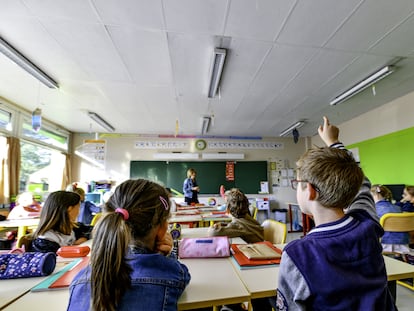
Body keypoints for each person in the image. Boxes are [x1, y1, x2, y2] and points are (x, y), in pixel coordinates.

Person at [275, 116, 396, 311]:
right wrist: (334, 143)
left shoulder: (297, 254)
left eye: (297, 184)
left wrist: (333, 143)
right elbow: (362, 186)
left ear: (311, 191)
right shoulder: (368, 224)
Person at [67, 179, 191, 311]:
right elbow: (183, 276)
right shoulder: (169, 271)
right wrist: (167, 256)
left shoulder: (80, 278)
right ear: (163, 229)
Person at [208, 188, 271, 311]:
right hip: (257, 263)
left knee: (225, 279)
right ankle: (231, 305)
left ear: (227, 210)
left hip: (253, 271)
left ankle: (230, 306)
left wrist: (218, 226)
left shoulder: (240, 225)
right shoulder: (248, 220)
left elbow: (213, 233)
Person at [371, 184, 410, 254]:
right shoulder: (398, 208)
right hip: (403, 244)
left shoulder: (373, 209)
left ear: (376, 195)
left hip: (383, 244)